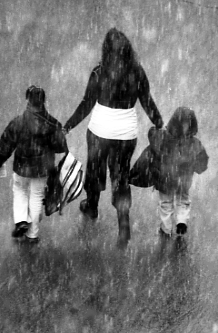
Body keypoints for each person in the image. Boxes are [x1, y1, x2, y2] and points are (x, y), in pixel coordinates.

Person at [64, 28, 164, 247]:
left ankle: (91, 206)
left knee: (95, 171)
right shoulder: (137, 72)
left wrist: (67, 126)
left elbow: (86, 104)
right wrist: (158, 121)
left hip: (100, 132)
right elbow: (147, 100)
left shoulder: (99, 73)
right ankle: (124, 225)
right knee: (120, 176)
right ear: (128, 50)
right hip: (126, 135)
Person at [0, 85, 68, 243]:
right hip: (41, 170)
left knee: (19, 190)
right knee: (37, 196)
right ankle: (33, 234)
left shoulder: (17, 122)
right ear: (44, 101)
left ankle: (21, 221)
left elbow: (5, 146)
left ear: (27, 100)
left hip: (21, 168)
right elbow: (61, 147)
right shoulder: (51, 124)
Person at [147, 107, 208, 238]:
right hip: (184, 179)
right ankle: (181, 221)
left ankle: (166, 228)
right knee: (183, 200)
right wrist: (194, 166)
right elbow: (202, 163)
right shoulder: (194, 143)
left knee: (166, 203)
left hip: (166, 178)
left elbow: (153, 141)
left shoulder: (164, 138)